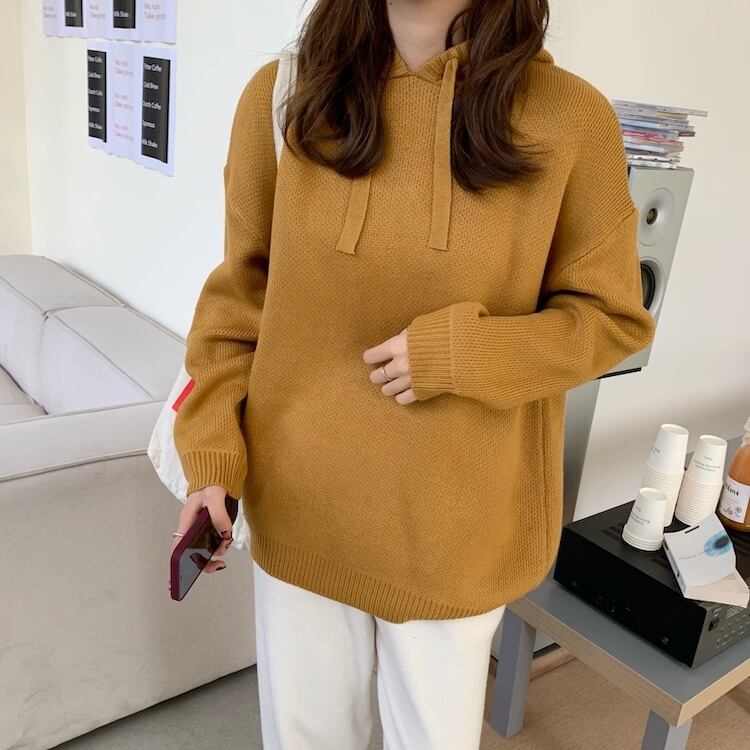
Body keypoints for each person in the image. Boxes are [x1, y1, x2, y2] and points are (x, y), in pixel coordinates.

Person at [170, 0, 656, 747]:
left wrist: (464, 354)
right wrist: (211, 454)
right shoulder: (283, 94)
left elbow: (610, 318)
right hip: (299, 502)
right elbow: (240, 297)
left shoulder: (569, 117)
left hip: (457, 525)